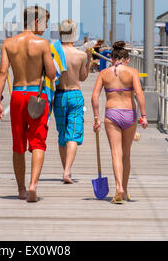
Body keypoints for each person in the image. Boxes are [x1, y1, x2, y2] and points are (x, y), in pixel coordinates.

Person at [0, 6, 56, 203]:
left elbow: (2, 73)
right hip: (37, 96)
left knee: (18, 143)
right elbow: (53, 74)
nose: (46, 27)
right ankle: (33, 185)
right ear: (36, 22)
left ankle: (21, 189)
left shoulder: (9, 44)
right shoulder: (42, 44)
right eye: (45, 22)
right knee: (38, 142)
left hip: (18, 95)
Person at [91, 41, 148, 204]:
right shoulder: (132, 72)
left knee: (116, 153)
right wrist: (143, 115)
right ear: (127, 60)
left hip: (112, 114)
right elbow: (139, 94)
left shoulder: (104, 73)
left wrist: (97, 118)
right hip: (129, 113)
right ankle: (125, 189)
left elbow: (94, 96)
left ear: (112, 58)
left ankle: (118, 188)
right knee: (126, 153)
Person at [54, 20, 92, 184]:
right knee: (74, 134)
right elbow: (82, 77)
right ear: (74, 34)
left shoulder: (54, 53)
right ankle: (67, 171)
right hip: (75, 94)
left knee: (62, 135)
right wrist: (89, 60)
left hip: (59, 96)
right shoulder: (81, 55)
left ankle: (66, 170)